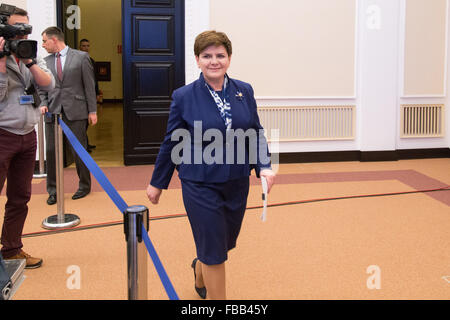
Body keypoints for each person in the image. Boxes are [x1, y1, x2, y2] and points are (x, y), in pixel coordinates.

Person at [146, 30, 276, 300]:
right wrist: (158, 182)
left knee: (224, 242)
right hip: (199, 181)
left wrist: (264, 165)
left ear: (229, 58)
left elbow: (255, 131)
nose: (214, 61)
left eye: (220, 55)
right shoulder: (183, 96)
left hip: (237, 180)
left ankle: (199, 267)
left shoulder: (244, 90)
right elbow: (172, 141)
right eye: (207, 56)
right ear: (197, 60)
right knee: (215, 251)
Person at [0, 7, 55, 268]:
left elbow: (48, 84)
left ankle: (12, 249)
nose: (22, 34)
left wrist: (30, 62)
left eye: (26, 29)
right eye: (16, 29)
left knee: (20, 197)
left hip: (27, 134)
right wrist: (1, 64)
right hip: (2, 134)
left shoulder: (29, 52)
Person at [39, 27, 97, 205]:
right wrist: (43, 103)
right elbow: (41, 87)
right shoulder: (45, 62)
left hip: (76, 110)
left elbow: (89, 85)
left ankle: (84, 186)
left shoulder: (81, 57)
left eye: (44, 41)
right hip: (52, 111)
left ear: (54, 39)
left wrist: (92, 111)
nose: (43, 45)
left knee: (79, 150)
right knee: (51, 152)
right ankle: (53, 191)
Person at [79, 38, 101, 153]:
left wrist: (97, 93)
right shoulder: (77, 61)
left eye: (87, 46)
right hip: (81, 97)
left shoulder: (91, 60)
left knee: (86, 123)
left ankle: (86, 143)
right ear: (79, 47)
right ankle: (84, 145)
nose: (86, 48)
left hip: (90, 95)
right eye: (83, 46)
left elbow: (94, 80)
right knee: (82, 123)